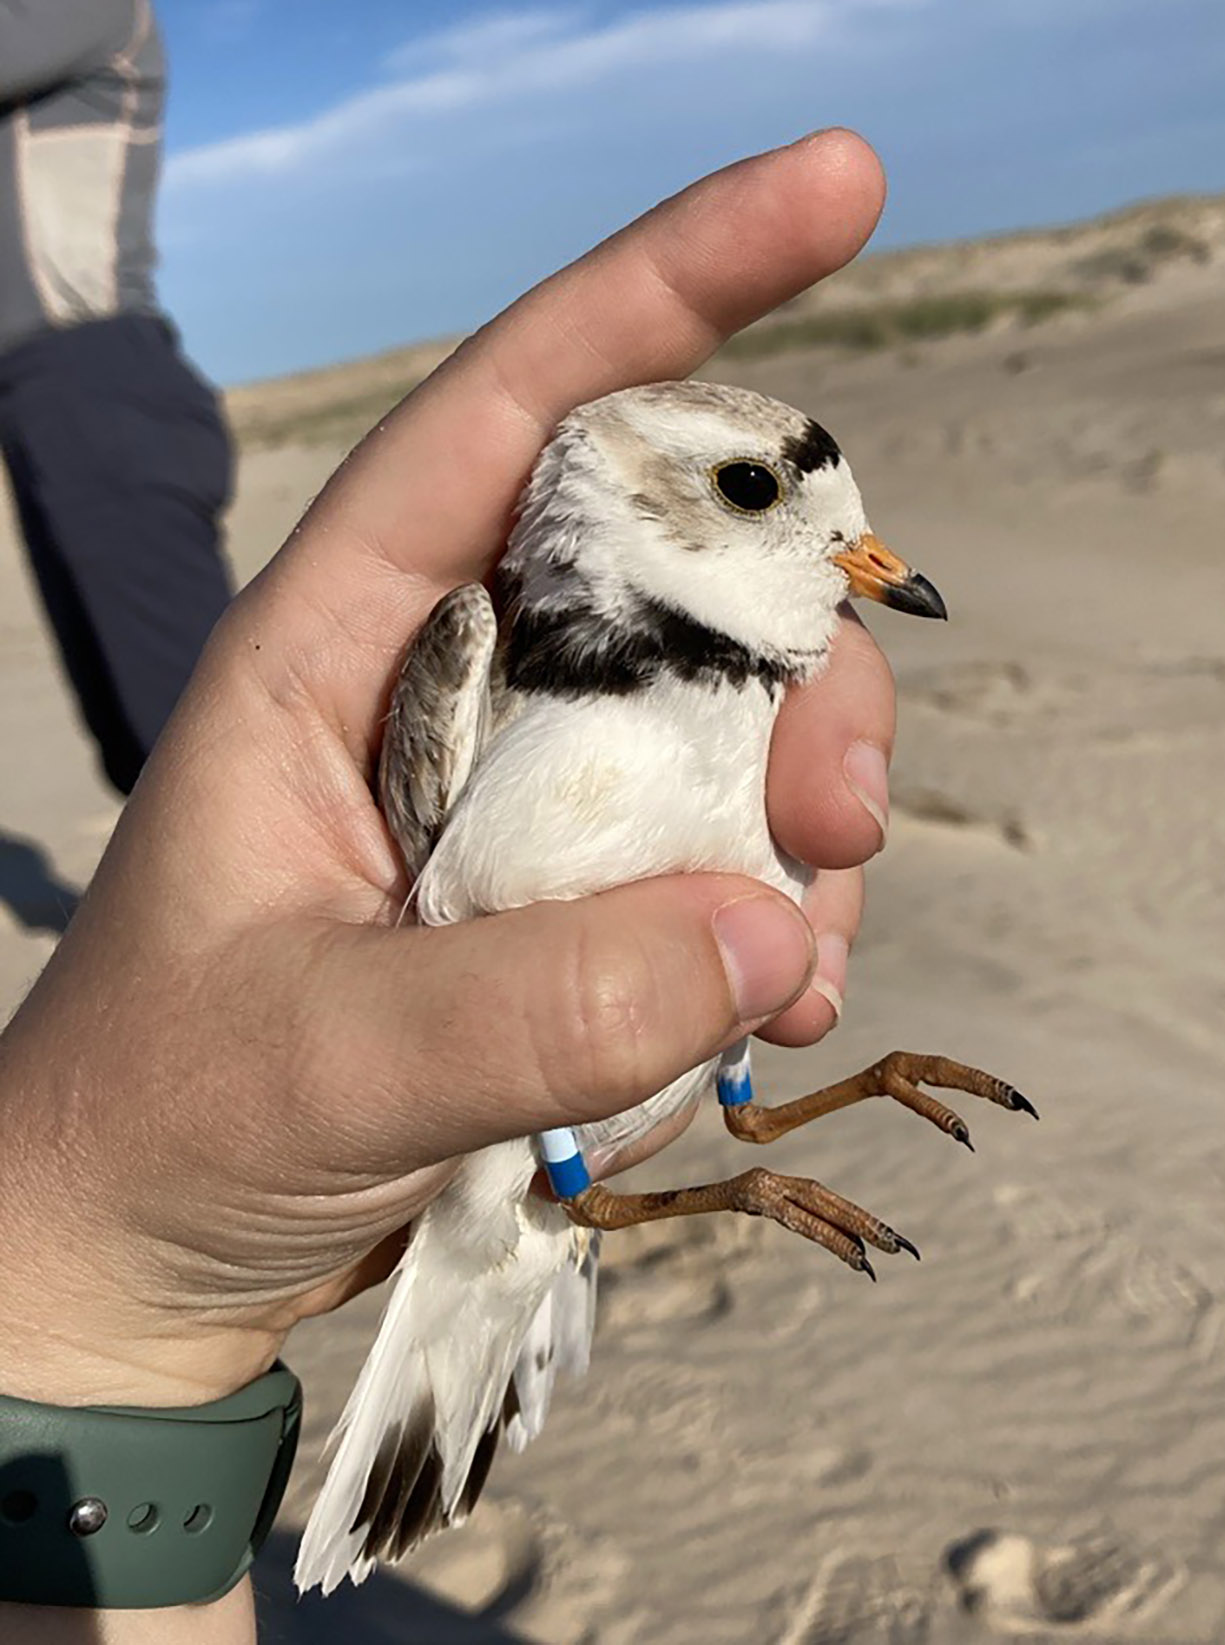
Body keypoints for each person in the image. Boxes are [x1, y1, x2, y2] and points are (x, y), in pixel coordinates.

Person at [0, 130, 891, 1641]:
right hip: (504, 1172)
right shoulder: (471, 652)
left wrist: (114, 1344)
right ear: (623, 502)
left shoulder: (765, 680)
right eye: (755, 492)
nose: (855, 559)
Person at [0, 0, 235, 798]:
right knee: (135, 744)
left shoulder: (86, 9)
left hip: (94, 375)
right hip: (37, 400)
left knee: (198, 749)